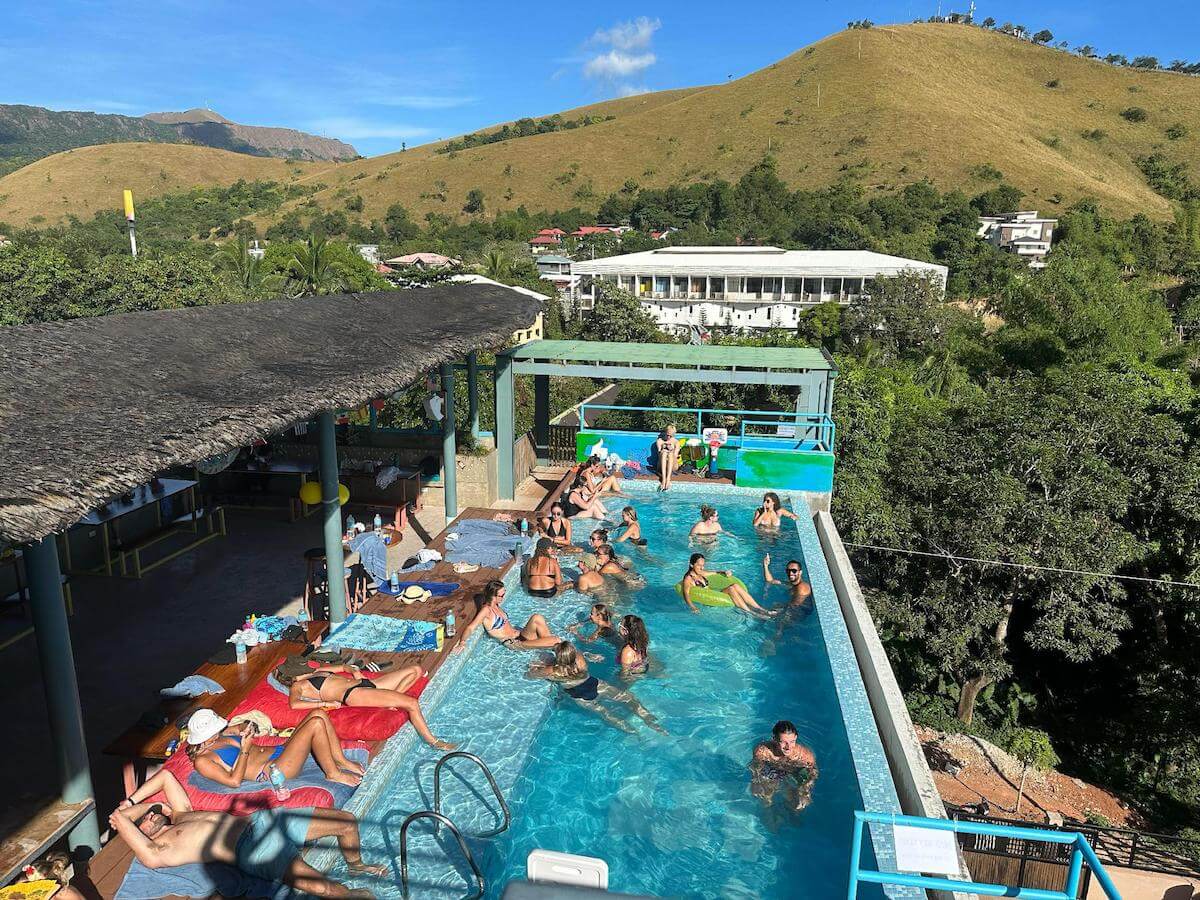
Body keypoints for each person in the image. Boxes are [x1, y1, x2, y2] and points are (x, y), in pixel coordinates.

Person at [109, 769, 382, 898]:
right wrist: (126, 813)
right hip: (254, 849)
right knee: (324, 888)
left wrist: (133, 802)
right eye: (145, 819)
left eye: (152, 811)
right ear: (136, 833)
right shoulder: (158, 851)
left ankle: (356, 866)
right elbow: (118, 819)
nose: (152, 814)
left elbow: (166, 776)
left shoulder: (181, 813)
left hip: (263, 821)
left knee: (346, 822)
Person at [277, 661, 454, 751]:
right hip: (354, 695)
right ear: (292, 676)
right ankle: (435, 742)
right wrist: (325, 703)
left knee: (416, 669)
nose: (303, 667)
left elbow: (344, 666)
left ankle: (390, 702)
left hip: (367, 684)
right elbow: (294, 704)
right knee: (411, 703)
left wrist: (353, 671)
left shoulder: (317, 671)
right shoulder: (299, 686)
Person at [186, 707, 364, 790]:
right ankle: (332, 773)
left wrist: (247, 727)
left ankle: (340, 760)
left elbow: (240, 727)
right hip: (274, 771)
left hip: (279, 751)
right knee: (315, 724)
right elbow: (234, 782)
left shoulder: (219, 735)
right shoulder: (203, 761)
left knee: (318, 713)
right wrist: (245, 750)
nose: (219, 729)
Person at [528, 642, 666, 735]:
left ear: (558, 657)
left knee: (606, 713)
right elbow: (576, 651)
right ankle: (649, 719)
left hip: (579, 695)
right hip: (595, 684)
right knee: (628, 698)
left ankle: (634, 732)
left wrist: (535, 668)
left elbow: (530, 675)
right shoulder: (580, 660)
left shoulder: (553, 671)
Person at [460, 579, 562, 650]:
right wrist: (462, 642)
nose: (503, 597)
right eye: (502, 595)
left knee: (537, 617)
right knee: (555, 640)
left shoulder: (496, 605)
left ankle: (548, 646)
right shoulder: (486, 610)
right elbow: (470, 628)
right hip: (514, 643)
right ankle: (556, 651)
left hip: (520, 635)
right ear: (493, 596)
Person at [680, 552, 775, 618]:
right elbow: (686, 594)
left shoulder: (701, 573)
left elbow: (714, 573)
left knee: (735, 586)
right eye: (699, 565)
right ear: (692, 565)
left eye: (703, 565)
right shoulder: (688, 579)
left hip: (714, 594)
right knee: (731, 589)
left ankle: (761, 609)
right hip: (710, 601)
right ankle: (751, 613)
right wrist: (693, 607)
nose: (702, 567)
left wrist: (724, 572)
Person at [750, 720, 818, 811]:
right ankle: (769, 812)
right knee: (765, 796)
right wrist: (756, 781)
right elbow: (756, 767)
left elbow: (813, 773)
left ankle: (793, 813)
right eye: (783, 742)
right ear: (774, 739)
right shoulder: (763, 751)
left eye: (792, 741)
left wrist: (805, 791)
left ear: (796, 738)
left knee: (798, 803)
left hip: (794, 770)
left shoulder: (804, 756)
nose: (788, 747)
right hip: (772, 768)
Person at [652, 425, 680, 491]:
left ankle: (668, 479)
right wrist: (663, 448)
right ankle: (664, 479)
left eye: (671, 436)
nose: (668, 437)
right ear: (665, 432)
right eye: (667, 435)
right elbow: (659, 455)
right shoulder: (660, 441)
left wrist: (671, 450)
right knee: (664, 452)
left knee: (670, 454)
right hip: (661, 464)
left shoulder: (676, 442)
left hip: (673, 465)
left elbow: (675, 457)